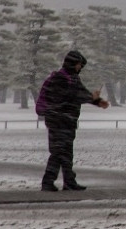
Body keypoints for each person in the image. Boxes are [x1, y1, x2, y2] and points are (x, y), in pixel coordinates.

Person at [38, 50, 110, 191]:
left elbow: (81, 93)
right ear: (72, 64)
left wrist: (97, 101)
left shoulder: (73, 78)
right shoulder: (59, 79)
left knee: (66, 152)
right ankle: (48, 182)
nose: (80, 68)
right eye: (78, 65)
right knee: (58, 152)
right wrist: (92, 98)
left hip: (68, 121)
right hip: (57, 120)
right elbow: (72, 95)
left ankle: (69, 182)